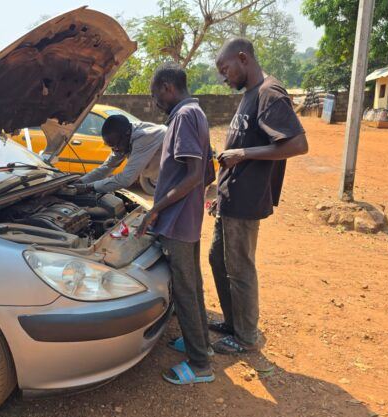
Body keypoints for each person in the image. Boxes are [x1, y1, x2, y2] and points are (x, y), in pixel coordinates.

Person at [208, 37, 308, 354]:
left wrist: (243, 153)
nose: (224, 78)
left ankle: (245, 337)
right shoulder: (251, 94)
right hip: (229, 196)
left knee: (239, 269)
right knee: (216, 259)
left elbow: (297, 144)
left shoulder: (269, 93)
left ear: (243, 59)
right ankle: (233, 322)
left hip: (246, 200)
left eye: (225, 70)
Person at [137, 62, 214, 385]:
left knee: (184, 288)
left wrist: (156, 209)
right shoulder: (196, 112)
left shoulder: (182, 117)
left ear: (168, 88)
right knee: (192, 284)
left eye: (157, 94)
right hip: (189, 216)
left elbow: (194, 175)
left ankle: (199, 365)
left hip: (178, 219)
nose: (156, 102)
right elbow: (207, 172)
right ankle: (200, 342)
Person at [72, 115, 166, 194]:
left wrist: (87, 187)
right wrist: (81, 181)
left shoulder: (145, 137)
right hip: (163, 182)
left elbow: (126, 179)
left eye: (115, 145)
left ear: (127, 133)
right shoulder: (124, 137)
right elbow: (107, 166)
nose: (115, 149)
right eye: (111, 146)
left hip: (177, 184)